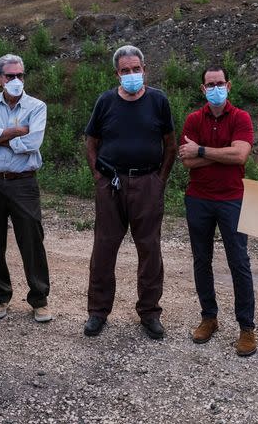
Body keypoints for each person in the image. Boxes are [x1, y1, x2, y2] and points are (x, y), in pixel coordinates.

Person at [83, 45, 177, 339]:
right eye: (125, 70)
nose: (131, 75)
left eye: (136, 69)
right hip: (111, 184)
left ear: (144, 69)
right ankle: (98, 312)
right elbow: (91, 141)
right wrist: (98, 175)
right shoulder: (106, 101)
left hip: (147, 182)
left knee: (149, 250)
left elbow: (170, 144)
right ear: (117, 74)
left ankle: (150, 313)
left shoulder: (158, 100)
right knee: (104, 249)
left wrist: (159, 180)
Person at [177, 66, 257, 356]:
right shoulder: (194, 119)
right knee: (201, 260)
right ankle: (209, 317)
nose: (215, 88)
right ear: (203, 89)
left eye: (220, 83)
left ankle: (246, 327)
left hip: (232, 199)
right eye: (210, 84)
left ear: (229, 85)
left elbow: (240, 155)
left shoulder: (241, 117)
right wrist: (221, 153)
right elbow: (186, 161)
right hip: (198, 199)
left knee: (239, 262)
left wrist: (202, 150)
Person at [0, 54, 52, 323]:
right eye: (10, 76)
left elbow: (33, 142)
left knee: (31, 240)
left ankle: (39, 299)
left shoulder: (37, 106)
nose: (16, 81)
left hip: (23, 182)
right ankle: (0, 296)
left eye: (21, 75)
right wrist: (17, 132)